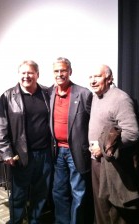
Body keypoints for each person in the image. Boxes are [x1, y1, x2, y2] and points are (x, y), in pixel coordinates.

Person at [0, 60, 52, 224]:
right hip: (21, 155)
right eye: (23, 73)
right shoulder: (8, 96)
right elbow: (1, 126)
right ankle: (16, 221)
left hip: (45, 154)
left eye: (30, 73)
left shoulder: (47, 93)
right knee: (19, 194)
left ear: (37, 74)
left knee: (41, 193)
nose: (26, 76)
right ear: (19, 74)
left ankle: (35, 220)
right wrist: (5, 151)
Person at [88, 64, 139, 224]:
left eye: (97, 76)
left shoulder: (120, 99)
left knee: (115, 211)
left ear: (109, 78)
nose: (92, 81)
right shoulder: (97, 97)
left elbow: (132, 133)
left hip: (113, 165)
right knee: (101, 208)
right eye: (90, 77)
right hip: (97, 162)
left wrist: (103, 149)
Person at [49, 57, 94, 224]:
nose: (60, 74)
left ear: (70, 72)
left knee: (78, 192)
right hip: (57, 152)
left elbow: (94, 121)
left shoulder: (83, 93)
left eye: (63, 70)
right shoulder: (50, 93)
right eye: (56, 71)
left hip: (76, 152)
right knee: (58, 192)